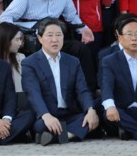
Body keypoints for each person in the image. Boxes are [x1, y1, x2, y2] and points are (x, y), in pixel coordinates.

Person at [0, 0, 97, 90]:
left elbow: (71, 16)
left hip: (53, 38)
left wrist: (83, 28)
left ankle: (89, 90)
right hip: (32, 40)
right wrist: (23, 32)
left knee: (81, 49)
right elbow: (5, 18)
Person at [21, 18, 99, 146]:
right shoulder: (30, 63)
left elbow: (82, 90)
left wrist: (90, 110)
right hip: (46, 114)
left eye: (58, 35)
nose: (55, 40)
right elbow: (33, 93)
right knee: (41, 126)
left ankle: (59, 137)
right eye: (49, 35)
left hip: (69, 114)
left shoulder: (73, 61)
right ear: (40, 38)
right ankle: (72, 133)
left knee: (94, 116)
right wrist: (46, 116)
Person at [0, 22, 25, 93]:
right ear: (6, 40)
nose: (20, 43)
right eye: (17, 39)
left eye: (20, 39)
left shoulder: (20, 58)